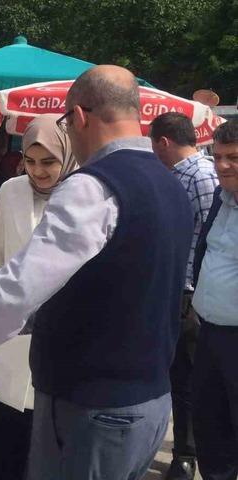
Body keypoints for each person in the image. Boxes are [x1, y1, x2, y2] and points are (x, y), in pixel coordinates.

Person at [0, 65, 194, 480]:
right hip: (149, 401)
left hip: (93, 406)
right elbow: (110, 293)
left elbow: (20, 287)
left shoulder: (93, 187)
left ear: (79, 117)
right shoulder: (170, 184)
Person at [0, 115, 77, 480]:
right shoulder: (11, 190)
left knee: (46, 456)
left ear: (67, 157)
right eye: (31, 161)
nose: (38, 172)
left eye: (49, 162)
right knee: (6, 444)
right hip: (11, 343)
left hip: (61, 345)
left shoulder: (83, 195)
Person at [150, 112, 219, 480]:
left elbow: (210, 240)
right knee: (175, 377)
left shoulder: (201, 175)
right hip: (174, 290)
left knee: (188, 381)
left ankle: (187, 455)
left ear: (163, 142)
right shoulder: (178, 175)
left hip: (190, 296)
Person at [191, 120, 238, 480]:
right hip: (209, 334)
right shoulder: (223, 201)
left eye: (233, 157)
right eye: (218, 156)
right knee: (209, 426)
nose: (222, 165)